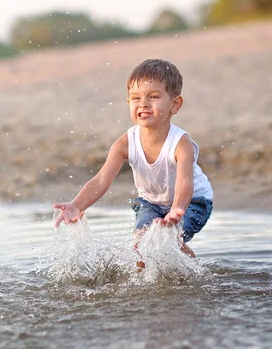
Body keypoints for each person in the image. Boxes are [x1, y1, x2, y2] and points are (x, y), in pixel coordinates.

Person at [53, 59, 213, 266]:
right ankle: (144, 282)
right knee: (140, 244)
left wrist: (176, 210)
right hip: (151, 204)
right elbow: (101, 180)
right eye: (136, 98)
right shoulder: (125, 143)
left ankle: (196, 275)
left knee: (171, 240)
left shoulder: (181, 144)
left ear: (175, 104)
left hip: (193, 202)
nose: (143, 104)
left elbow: (185, 182)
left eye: (153, 97)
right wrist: (76, 205)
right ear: (129, 103)